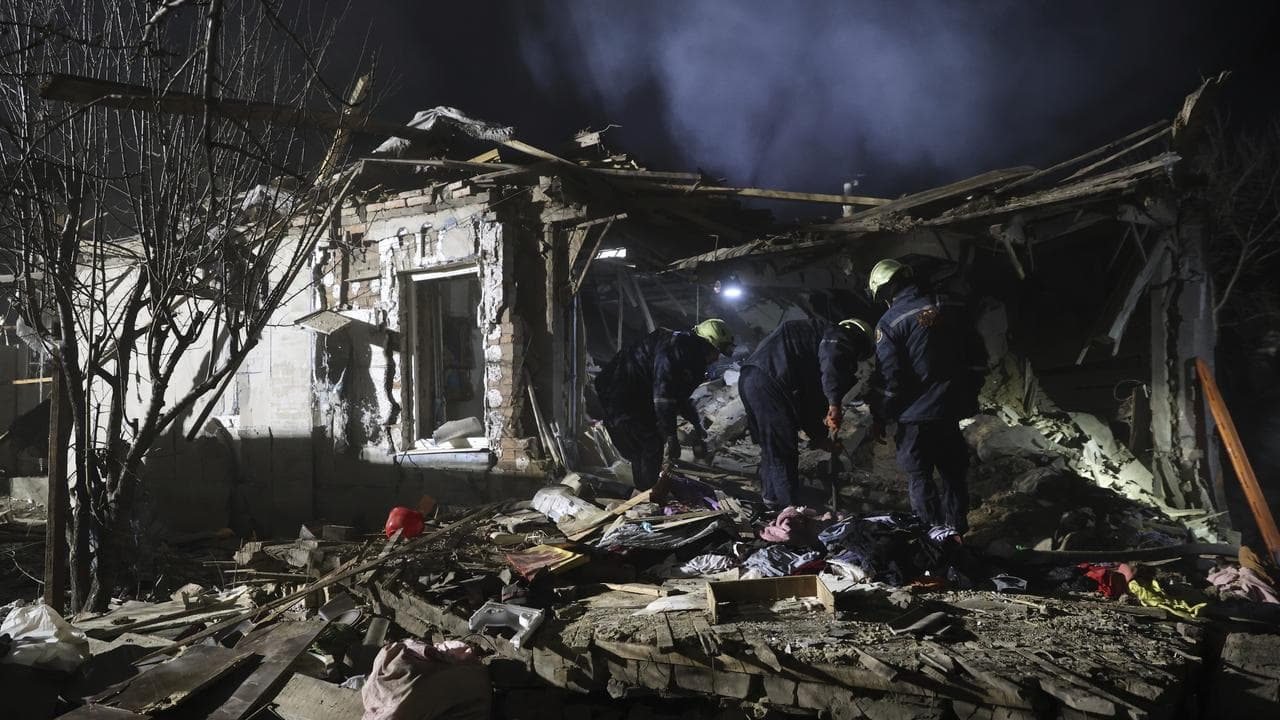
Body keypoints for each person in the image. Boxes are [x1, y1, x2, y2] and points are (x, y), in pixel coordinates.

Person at [867, 258, 987, 537]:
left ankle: (931, 536)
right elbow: (978, 357)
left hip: (915, 416)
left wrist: (881, 414)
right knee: (953, 473)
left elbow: (890, 379)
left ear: (885, 291)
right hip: (951, 410)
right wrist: (968, 392)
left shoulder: (890, 322)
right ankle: (957, 531)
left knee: (920, 475)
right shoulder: (953, 306)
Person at [738, 318, 873, 509]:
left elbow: (809, 401)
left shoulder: (809, 345)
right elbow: (832, 361)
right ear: (859, 338)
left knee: (773, 447)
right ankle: (791, 513)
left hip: (752, 379)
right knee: (783, 451)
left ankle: (772, 501)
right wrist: (834, 403)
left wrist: (819, 437)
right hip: (769, 382)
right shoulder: (838, 335)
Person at [594, 319, 734, 491]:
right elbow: (663, 397)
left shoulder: (691, 358)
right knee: (649, 444)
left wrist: (698, 426)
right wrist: (671, 437)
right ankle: (646, 495)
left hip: (639, 394)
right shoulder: (672, 350)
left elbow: (681, 397)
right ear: (705, 345)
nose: (716, 358)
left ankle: (645, 488)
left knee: (649, 442)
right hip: (619, 392)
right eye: (716, 352)